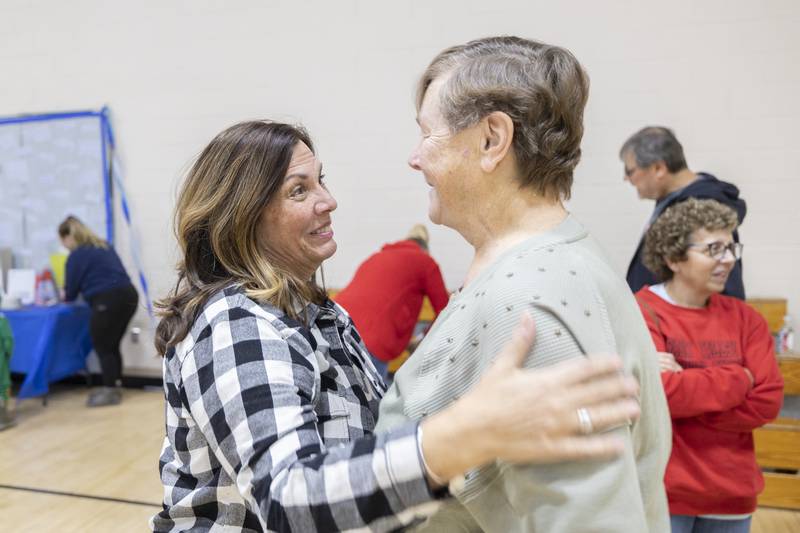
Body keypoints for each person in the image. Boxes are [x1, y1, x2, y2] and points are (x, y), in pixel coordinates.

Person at [150, 120, 643, 532]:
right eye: (299, 191)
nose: (328, 201)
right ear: (243, 217)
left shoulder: (318, 311)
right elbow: (287, 497)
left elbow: (372, 426)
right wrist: (457, 439)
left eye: (322, 180)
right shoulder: (237, 321)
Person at [376, 36, 671, 532]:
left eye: (427, 135)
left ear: (493, 140)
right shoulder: (545, 261)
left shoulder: (530, 300)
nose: (414, 159)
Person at [634, 198, 783, 533]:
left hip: (732, 497)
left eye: (731, 247)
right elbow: (658, 396)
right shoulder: (642, 311)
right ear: (673, 258)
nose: (728, 259)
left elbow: (768, 400)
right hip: (665, 495)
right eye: (714, 248)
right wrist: (739, 379)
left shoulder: (746, 319)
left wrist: (685, 386)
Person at [620, 126, 747, 299]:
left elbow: (726, 283)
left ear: (658, 168)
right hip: (656, 317)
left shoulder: (702, 206)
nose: (626, 178)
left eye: (630, 171)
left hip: (683, 323)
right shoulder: (671, 200)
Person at [334, 223, 449, 379]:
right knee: (372, 401)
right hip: (373, 342)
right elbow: (446, 310)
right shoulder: (425, 262)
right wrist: (423, 339)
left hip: (336, 327)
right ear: (425, 249)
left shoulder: (376, 257)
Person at [58, 216, 139, 407]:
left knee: (103, 345)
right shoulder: (103, 245)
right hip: (129, 296)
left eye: (63, 241)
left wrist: (63, 291)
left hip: (108, 300)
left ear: (68, 236)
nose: (64, 246)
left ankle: (110, 391)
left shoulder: (76, 255)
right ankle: (115, 385)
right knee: (111, 345)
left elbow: (70, 293)